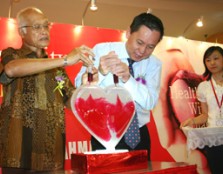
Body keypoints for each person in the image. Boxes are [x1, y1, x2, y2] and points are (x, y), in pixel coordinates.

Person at [0, 7, 94, 174]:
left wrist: (86, 88)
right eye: (37, 27)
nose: (44, 31)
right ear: (22, 31)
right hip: (18, 154)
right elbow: (11, 70)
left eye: (46, 26)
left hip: (52, 155)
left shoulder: (57, 70)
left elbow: (72, 102)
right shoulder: (11, 54)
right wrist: (65, 60)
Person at [75, 12, 164, 160]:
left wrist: (128, 79)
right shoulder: (102, 50)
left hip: (139, 135)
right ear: (128, 33)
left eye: (150, 47)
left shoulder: (154, 64)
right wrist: (101, 74)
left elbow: (150, 102)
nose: (142, 51)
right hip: (105, 133)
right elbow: (79, 89)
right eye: (139, 43)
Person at [180, 46, 223, 174]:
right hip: (213, 139)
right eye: (208, 60)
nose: (212, 63)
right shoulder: (203, 87)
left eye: (216, 58)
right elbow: (205, 115)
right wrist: (191, 121)